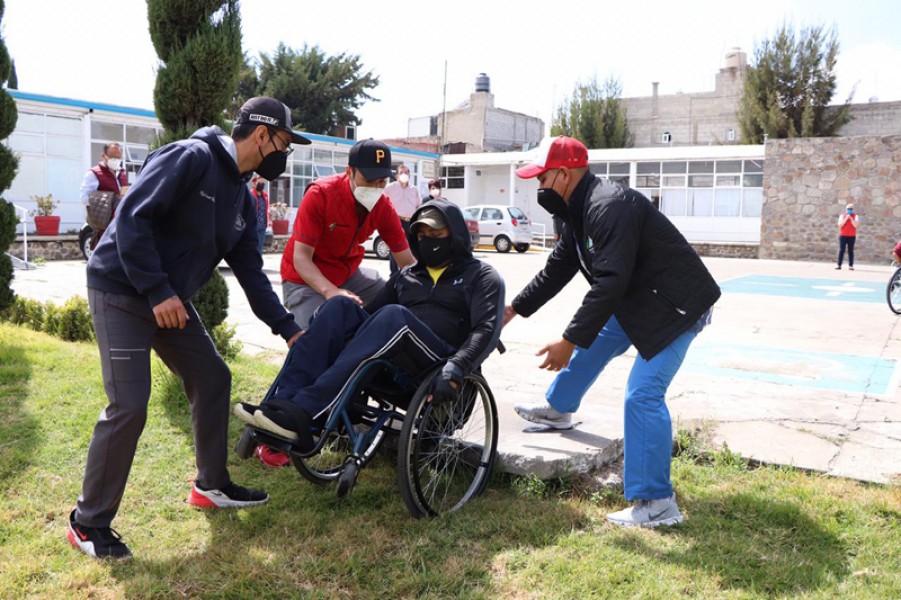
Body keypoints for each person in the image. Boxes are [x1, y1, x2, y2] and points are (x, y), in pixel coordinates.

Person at [67, 97, 307, 559]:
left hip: (167, 304)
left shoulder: (239, 196)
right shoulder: (191, 158)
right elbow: (133, 217)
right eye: (283, 142)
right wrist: (158, 291)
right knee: (129, 405)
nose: (284, 152)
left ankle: (211, 485)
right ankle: (87, 522)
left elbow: (252, 273)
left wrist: (288, 329)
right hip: (122, 289)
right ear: (261, 135)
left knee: (213, 377)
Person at [505, 136, 720, 528]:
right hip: (640, 299)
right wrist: (513, 309)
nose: (537, 188)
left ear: (564, 174)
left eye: (541, 178)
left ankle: (656, 503)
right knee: (593, 345)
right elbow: (557, 268)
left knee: (643, 395)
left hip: (677, 307)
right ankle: (559, 410)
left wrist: (568, 340)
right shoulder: (579, 210)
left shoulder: (608, 206)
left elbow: (609, 282)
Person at [235, 200, 504, 449]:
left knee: (394, 316)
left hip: (439, 365)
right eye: (422, 237)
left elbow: (487, 329)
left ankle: (307, 411)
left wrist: (457, 367)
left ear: (455, 234)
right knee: (339, 306)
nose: (428, 242)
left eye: (436, 235)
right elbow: (369, 321)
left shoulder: (482, 276)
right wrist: (330, 324)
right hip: (392, 366)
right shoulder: (407, 276)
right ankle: (282, 406)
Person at [280, 139, 416, 330]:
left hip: (347, 275)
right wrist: (331, 291)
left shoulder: (383, 205)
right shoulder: (320, 195)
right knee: (319, 336)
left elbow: (407, 262)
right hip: (303, 280)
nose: (375, 188)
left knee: (397, 302)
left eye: (382, 181)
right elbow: (301, 258)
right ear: (349, 171)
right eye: (368, 180)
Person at [79, 141, 129, 249]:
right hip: (104, 226)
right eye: (112, 157)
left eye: (119, 158)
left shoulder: (122, 173)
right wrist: (108, 200)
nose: (116, 160)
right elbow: (84, 198)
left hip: (122, 223)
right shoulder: (93, 174)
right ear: (103, 156)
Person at [382, 164, 421, 273]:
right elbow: (382, 204)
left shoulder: (414, 190)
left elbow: (418, 205)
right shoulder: (389, 188)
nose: (404, 175)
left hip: (411, 223)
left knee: (412, 249)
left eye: (406, 172)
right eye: (401, 173)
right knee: (396, 249)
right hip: (396, 221)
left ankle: (411, 274)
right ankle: (394, 276)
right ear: (397, 175)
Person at [251, 175, 270, 254]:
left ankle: (257, 265)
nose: (261, 184)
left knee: (260, 247)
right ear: (254, 183)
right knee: (252, 246)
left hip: (263, 225)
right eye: (259, 182)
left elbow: (266, 209)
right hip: (253, 225)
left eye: (263, 183)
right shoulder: (250, 194)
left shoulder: (265, 195)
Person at [836, 203, 859, 270]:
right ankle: (839, 265)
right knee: (841, 250)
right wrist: (846, 219)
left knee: (850, 251)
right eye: (848, 209)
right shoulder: (842, 216)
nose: (849, 210)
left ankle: (851, 265)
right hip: (843, 235)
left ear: (853, 210)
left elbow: (856, 225)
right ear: (846, 209)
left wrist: (851, 219)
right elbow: (840, 225)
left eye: (851, 209)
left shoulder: (855, 216)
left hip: (851, 236)